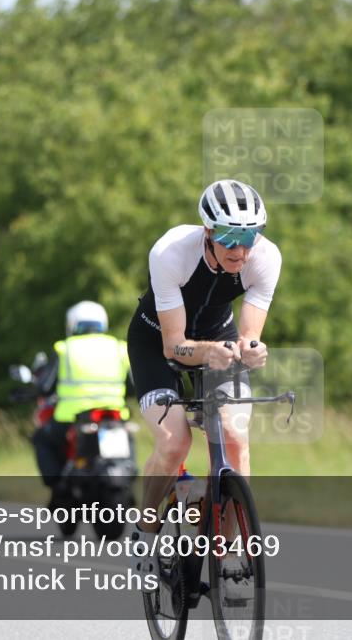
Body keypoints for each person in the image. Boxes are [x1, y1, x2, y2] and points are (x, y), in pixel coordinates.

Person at [126, 179, 282, 574]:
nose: (240, 249)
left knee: (234, 435)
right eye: (230, 237)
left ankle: (225, 551)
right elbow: (173, 344)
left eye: (250, 235)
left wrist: (251, 350)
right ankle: (145, 530)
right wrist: (208, 352)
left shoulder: (266, 258)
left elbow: (249, 336)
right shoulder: (171, 253)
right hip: (157, 342)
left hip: (219, 341)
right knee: (174, 440)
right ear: (208, 232)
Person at [31, 300, 132, 503]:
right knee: (130, 438)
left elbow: (44, 386)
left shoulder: (65, 348)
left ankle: (58, 484)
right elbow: (134, 385)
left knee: (42, 438)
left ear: (72, 324)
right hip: (114, 414)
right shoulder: (120, 347)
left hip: (71, 416)